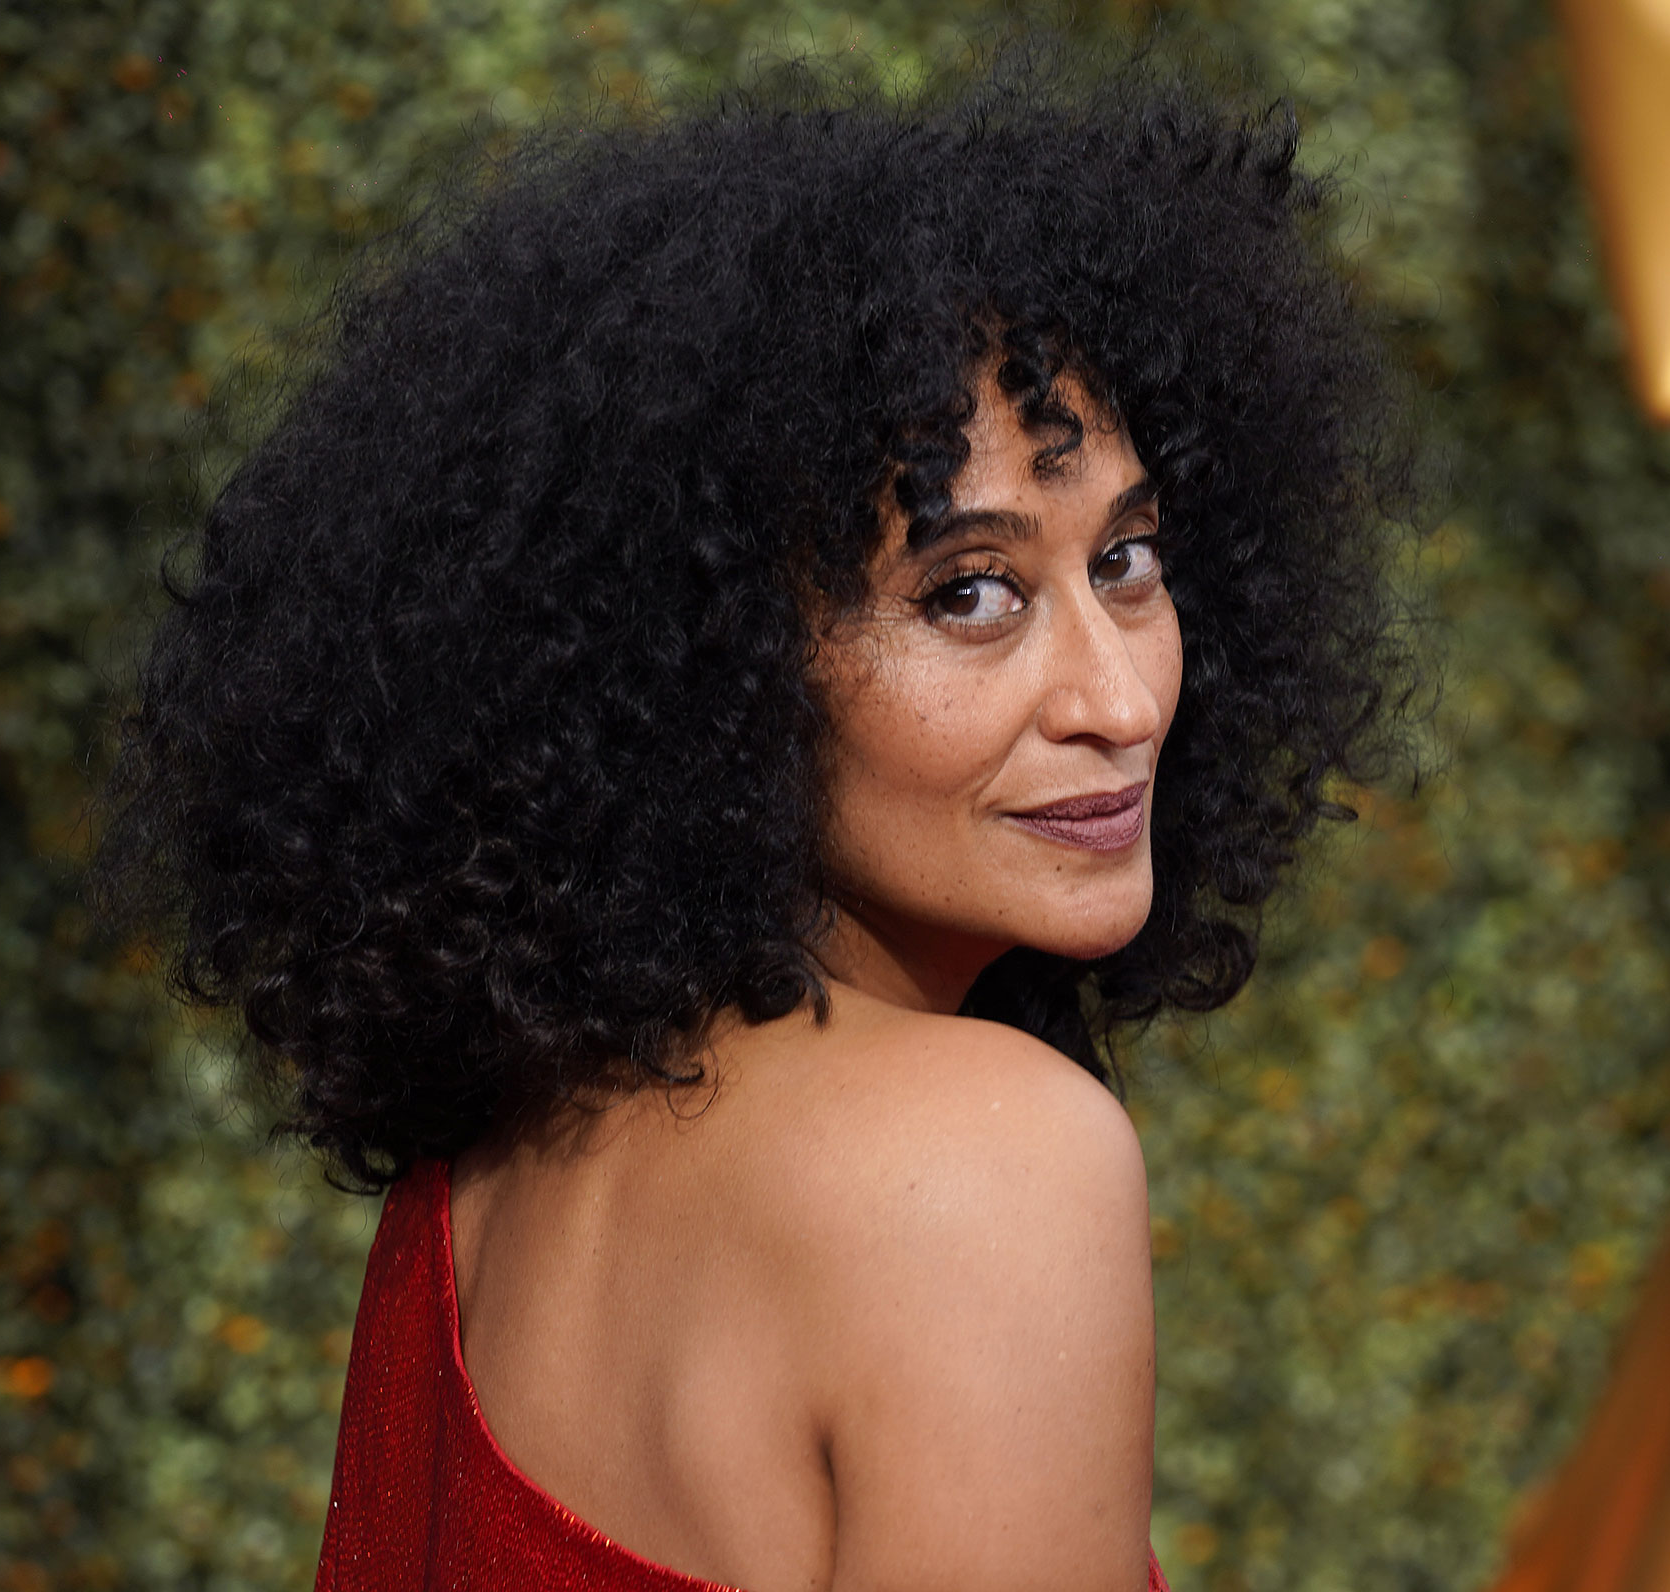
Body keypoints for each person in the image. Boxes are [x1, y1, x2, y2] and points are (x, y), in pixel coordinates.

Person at [93, 46, 1416, 1592]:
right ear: (700, 664)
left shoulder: (492, 1174)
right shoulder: (988, 1169)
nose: (1119, 699)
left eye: (1125, 561)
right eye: (970, 594)